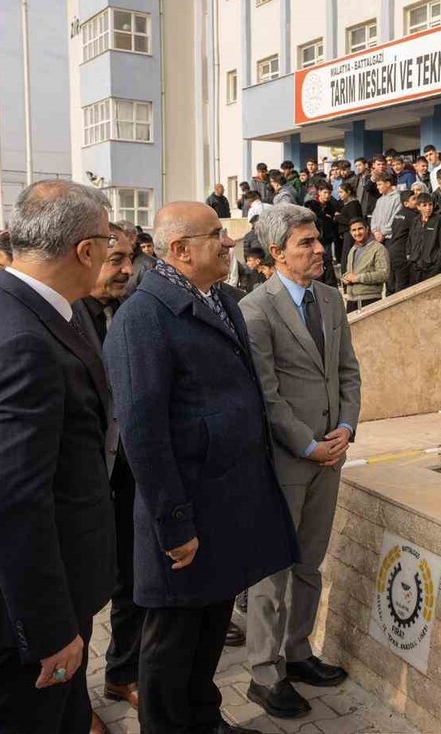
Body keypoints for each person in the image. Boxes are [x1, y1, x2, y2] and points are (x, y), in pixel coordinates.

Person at [103, 202, 297, 734]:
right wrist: (174, 524)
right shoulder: (142, 317)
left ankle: (205, 721)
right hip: (185, 513)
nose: (230, 243)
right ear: (181, 250)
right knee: (172, 643)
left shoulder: (220, 300)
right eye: (217, 236)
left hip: (225, 505)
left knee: (210, 629)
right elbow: (143, 433)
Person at [0, 180, 117, 731]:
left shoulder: (9, 300)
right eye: (108, 242)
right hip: (16, 616)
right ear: (85, 250)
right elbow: (15, 504)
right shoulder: (21, 341)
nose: (112, 253)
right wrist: (49, 630)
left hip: (37, 593)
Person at [241, 205, 361, 718]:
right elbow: (266, 396)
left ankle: (297, 652)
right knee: (272, 572)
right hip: (286, 461)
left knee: (309, 563)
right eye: (305, 243)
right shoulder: (256, 310)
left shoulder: (332, 300)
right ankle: (264, 675)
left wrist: (346, 429)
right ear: (276, 254)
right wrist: (307, 445)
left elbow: (349, 373)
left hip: (330, 458)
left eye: (318, 241)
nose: (318, 250)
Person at [69, 224, 140, 729]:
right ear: (87, 255)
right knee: (79, 591)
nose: (126, 270)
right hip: (81, 481)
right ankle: (73, 703)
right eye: (116, 259)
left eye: (130, 259)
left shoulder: (132, 313)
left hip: (130, 473)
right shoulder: (62, 321)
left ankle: (123, 672)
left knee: (131, 580)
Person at [340, 218, 389, 312]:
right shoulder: (353, 249)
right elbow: (350, 273)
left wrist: (357, 278)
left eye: (360, 229)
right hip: (351, 300)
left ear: (367, 229)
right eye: (354, 230)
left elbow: (384, 274)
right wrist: (345, 278)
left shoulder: (378, 248)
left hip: (370, 300)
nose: (357, 233)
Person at [408, 195, 441, 284]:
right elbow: (410, 240)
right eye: (424, 205)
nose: (428, 208)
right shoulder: (415, 221)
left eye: (430, 205)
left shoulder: (439, 219)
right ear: (418, 207)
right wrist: (410, 256)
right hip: (416, 266)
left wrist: (439, 263)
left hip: (432, 267)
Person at [305, 185, 341, 285]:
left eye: (329, 193)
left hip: (327, 239)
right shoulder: (311, 205)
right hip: (314, 239)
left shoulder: (331, 206)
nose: (327, 195)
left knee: (327, 262)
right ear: (319, 192)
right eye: (325, 192)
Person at [386, 192, 417, 294]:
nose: (416, 201)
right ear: (406, 203)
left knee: (391, 284)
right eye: (413, 199)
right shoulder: (413, 216)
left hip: (391, 251)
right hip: (401, 253)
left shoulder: (398, 214)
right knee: (401, 284)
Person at [334, 182, 364, 269]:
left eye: (341, 192)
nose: (339, 195)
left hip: (350, 234)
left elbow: (354, 221)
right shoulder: (347, 204)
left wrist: (338, 217)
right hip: (347, 234)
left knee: (346, 257)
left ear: (348, 192)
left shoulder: (353, 204)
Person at [369, 174, 400, 245]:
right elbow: (374, 217)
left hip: (390, 238)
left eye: (380, 184)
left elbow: (395, 218)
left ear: (388, 184)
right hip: (377, 237)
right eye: (377, 185)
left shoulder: (397, 198)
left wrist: (382, 233)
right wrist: (375, 231)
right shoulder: (379, 200)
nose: (377, 187)